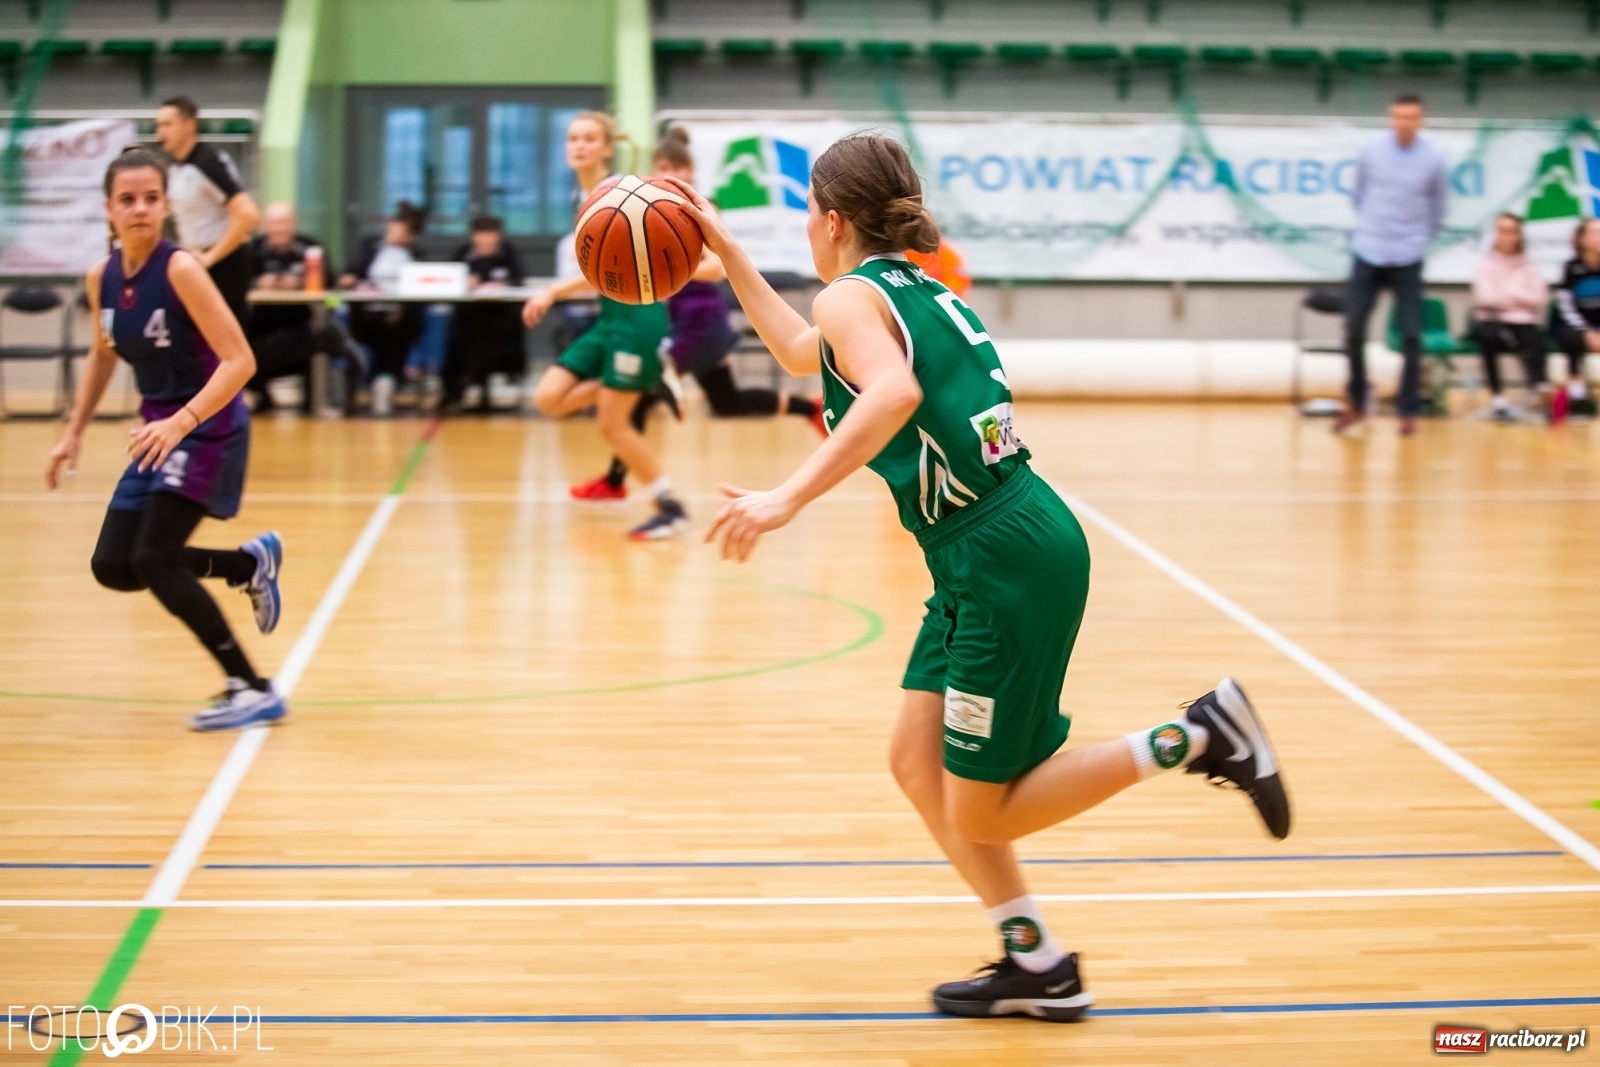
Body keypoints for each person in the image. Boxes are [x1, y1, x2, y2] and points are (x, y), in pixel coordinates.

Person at [667, 134, 1291, 1021]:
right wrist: (730, 257)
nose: (807, 224)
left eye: (809, 208)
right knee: (918, 764)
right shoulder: (904, 287)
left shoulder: (851, 295)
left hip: (1000, 554)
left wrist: (787, 497)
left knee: (987, 811)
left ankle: (1197, 734)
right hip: (990, 543)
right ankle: (1035, 962)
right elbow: (808, 354)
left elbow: (890, 395)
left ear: (833, 219)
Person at [43, 150, 285, 731]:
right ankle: (245, 565)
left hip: (207, 427)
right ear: (108, 210)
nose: (141, 209)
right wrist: (73, 431)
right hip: (159, 432)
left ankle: (249, 686)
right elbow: (103, 355)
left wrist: (182, 421)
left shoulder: (181, 270)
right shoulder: (102, 276)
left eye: (151, 198)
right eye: (127, 200)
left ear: (165, 205)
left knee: (152, 558)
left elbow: (240, 360)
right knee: (114, 565)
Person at [573, 128, 825, 502]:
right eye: (660, 166)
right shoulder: (649, 206)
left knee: (640, 392)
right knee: (727, 402)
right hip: (680, 318)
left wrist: (659, 267)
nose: (668, 172)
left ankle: (615, 480)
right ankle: (809, 407)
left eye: (674, 167)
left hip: (701, 319)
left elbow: (715, 269)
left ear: (690, 168)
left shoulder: (701, 207)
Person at [523, 112, 687, 540]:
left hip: (638, 318)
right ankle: (653, 381)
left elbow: (632, 264)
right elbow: (599, 270)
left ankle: (670, 507)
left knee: (612, 425)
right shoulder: (583, 195)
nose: (578, 145)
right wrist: (556, 291)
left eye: (589, 139)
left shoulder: (617, 194)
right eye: (573, 138)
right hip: (610, 316)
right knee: (548, 398)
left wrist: (555, 291)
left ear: (607, 147)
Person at [1336, 93, 1449, 437]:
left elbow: (1439, 209)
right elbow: (1358, 196)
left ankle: (1408, 408)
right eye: (1397, 117)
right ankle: (1356, 400)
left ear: (1421, 120)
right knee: (1353, 326)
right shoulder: (1371, 151)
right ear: (1390, 118)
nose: (1403, 123)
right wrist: (1374, 228)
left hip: (1408, 254)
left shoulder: (1434, 159)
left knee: (1412, 334)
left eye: (1410, 117)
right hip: (1369, 249)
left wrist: (1415, 238)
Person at [246, 203, 365, 412]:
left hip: (299, 322)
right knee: (320, 338)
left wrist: (300, 282)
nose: (279, 229)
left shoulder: (310, 248)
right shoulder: (252, 250)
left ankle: (324, 394)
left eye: (284, 223)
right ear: (265, 226)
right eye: (274, 223)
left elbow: (330, 281)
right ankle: (331, 341)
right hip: (262, 329)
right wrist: (261, 283)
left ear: (294, 225)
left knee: (317, 334)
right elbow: (238, 283)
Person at [155, 96, 260, 330]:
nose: (160, 132)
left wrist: (211, 257)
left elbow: (248, 215)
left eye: (167, 125)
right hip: (194, 264)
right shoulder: (174, 168)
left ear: (190, 125)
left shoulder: (208, 163)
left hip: (224, 268)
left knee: (224, 347)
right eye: (158, 125)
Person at [340, 201, 427, 417]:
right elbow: (351, 274)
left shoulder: (416, 255)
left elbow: (422, 290)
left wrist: (400, 311)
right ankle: (376, 381)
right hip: (366, 314)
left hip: (401, 316)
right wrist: (349, 281)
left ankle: (385, 382)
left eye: (408, 233)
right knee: (372, 326)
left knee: (398, 330)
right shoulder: (367, 246)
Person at [1470, 213, 1549, 422]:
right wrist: (1519, 297)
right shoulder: (1485, 266)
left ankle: (1538, 390)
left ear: (1519, 235)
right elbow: (1485, 298)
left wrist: (1507, 293)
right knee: (1489, 337)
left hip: (1523, 321)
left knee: (1533, 337)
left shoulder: (1530, 267)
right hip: (1492, 319)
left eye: (1511, 231)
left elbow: (1539, 298)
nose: (1506, 236)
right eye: (1501, 231)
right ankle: (1498, 399)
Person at [442, 215, 526, 413]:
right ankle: (466, 380)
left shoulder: (508, 253)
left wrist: (505, 284)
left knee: (488, 329)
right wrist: (465, 282)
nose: (487, 240)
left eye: (491, 236)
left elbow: (519, 279)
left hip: (499, 315)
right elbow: (449, 278)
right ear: (474, 237)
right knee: (467, 332)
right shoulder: (463, 253)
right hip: (467, 315)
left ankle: (466, 380)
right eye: (482, 236)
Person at [1553, 217, 1600, 417]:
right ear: (1581, 238)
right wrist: (1586, 331)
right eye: (1594, 233)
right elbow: (1565, 305)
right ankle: (1578, 397)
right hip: (1580, 324)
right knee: (1570, 337)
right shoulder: (1571, 268)